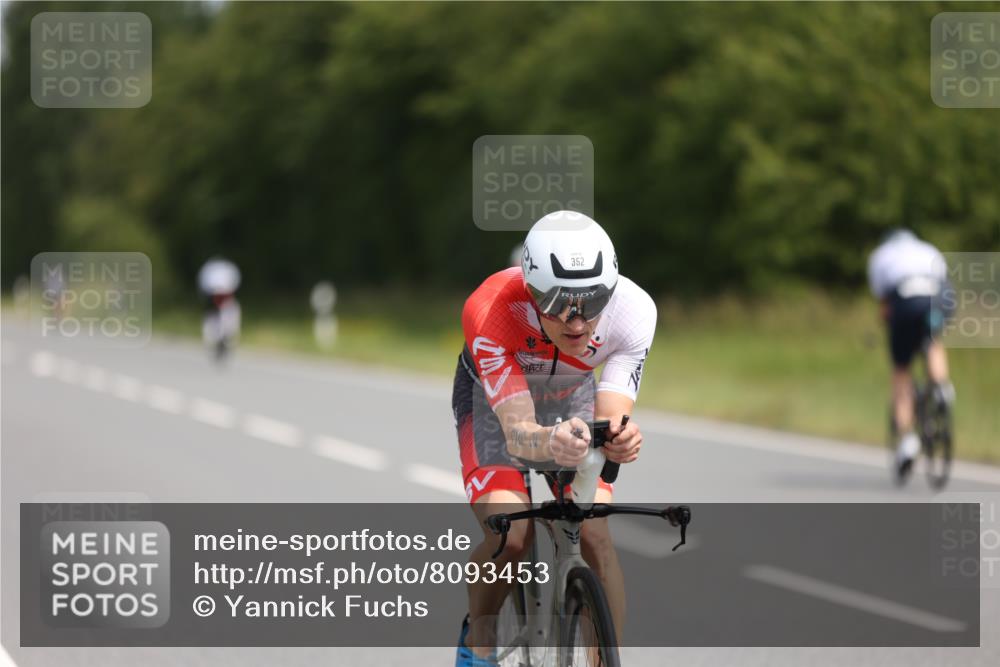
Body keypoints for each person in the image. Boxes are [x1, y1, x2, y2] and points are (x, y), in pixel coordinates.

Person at [454, 211, 656, 665]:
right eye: (558, 303)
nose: (577, 321)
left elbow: (611, 418)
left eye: (592, 300)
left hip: (571, 398)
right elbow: (520, 432)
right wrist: (551, 443)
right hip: (495, 405)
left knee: (596, 534)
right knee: (512, 535)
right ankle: (479, 647)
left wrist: (618, 439)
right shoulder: (491, 311)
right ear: (530, 290)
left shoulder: (635, 310)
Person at [867, 229, 954, 482]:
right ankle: (941, 388)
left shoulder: (881, 255)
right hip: (938, 299)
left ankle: (907, 441)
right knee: (932, 341)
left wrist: (891, 326)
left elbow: (883, 301)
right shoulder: (928, 248)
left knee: (901, 370)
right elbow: (945, 279)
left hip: (905, 302)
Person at [197, 257, 242, 362]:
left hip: (226, 308)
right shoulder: (211, 276)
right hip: (213, 307)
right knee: (211, 327)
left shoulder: (231, 306)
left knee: (230, 323)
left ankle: (225, 343)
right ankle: (217, 344)